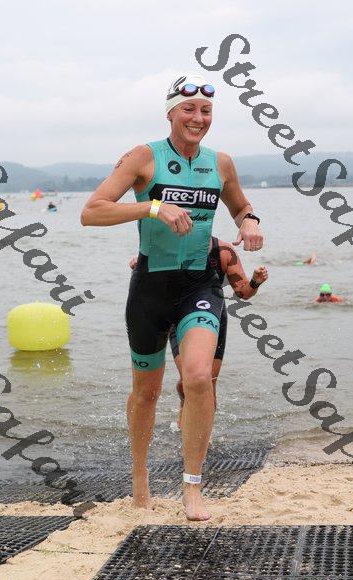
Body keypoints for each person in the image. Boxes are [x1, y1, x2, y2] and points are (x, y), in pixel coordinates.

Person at [80, 72, 263, 521]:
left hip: (199, 285)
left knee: (198, 377)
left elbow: (241, 206)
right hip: (149, 288)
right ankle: (140, 480)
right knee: (146, 393)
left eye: (206, 111)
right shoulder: (144, 157)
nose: (198, 118)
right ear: (171, 113)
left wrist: (249, 222)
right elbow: (92, 212)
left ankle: (192, 487)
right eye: (188, 109)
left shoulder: (221, 164)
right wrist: (153, 207)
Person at [130, 237, 268, 428]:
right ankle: (184, 411)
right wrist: (141, 267)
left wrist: (255, 282)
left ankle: (204, 438)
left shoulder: (223, 251)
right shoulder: (167, 246)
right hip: (177, 314)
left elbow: (243, 293)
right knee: (188, 381)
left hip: (212, 316)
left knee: (207, 383)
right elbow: (149, 278)